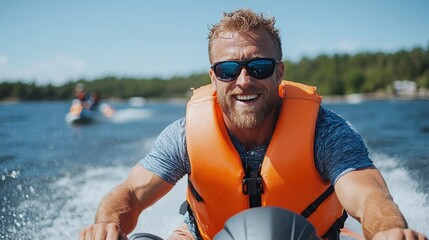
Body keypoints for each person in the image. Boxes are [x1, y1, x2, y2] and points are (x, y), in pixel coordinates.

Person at [79, 9, 427, 240]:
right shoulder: (184, 135)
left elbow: (367, 192)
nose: (243, 81)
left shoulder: (325, 131)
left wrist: (388, 228)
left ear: (280, 72)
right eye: (228, 70)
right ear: (213, 78)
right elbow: (132, 192)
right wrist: (108, 223)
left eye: (258, 67)